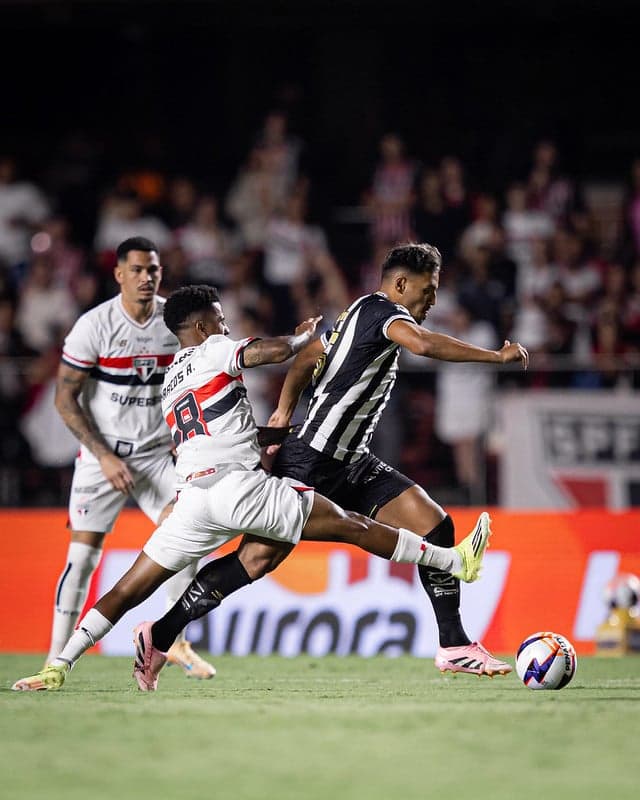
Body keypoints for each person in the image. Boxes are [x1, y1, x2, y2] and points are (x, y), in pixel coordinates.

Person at [12, 285, 491, 692]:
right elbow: (265, 351)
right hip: (239, 491)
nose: (225, 326)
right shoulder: (214, 348)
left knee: (126, 590)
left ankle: (59, 665)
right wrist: (301, 338)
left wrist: (270, 434)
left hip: (192, 502)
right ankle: (454, 560)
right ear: (200, 326)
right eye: (219, 320)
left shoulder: (172, 379)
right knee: (352, 525)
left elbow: (213, 430)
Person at [264, 243, 529, 676]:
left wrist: (282, 410)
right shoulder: (382, 311)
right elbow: (422, 344)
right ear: (401, 284)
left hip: (352, 461)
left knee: (436, 526)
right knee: (256, 562)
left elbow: (312, 354)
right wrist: (494, 357)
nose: (434, 301)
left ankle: (454, 645)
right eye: (428, 291)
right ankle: (162, 631)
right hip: (311, 460)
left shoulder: (357, 314)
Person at [42, 236, 215, 679]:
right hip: (105, 457)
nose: (146, 278)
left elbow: (191, 381)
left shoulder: (171, 323)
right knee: (82, 559)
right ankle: (54, 658)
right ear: (118, 274)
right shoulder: (94, 326)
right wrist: (101, 456)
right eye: (137, 270)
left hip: (158, 455)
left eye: (153, 270)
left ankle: (173, 643)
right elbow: (65, 399)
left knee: (188, 533)